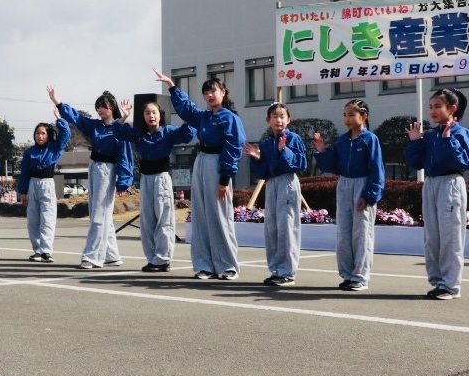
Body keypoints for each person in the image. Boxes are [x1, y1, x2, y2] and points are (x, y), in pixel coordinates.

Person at [154, 67, 246, 280]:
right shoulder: (203, 116)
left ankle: (227, 266)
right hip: (201, 162)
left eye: (213, 91)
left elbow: (234, 148)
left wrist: (225, 178)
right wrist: (171, 86)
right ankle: (204, 265)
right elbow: (186, 109)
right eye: (206, 93)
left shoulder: (230, 118)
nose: (209, 95)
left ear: (223, 92)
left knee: (220, 216)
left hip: (217, 164)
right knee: (201, 215)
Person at [405, 87, 469, 300]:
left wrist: (447, 141)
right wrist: (416, 142)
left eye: (438, 106)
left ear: (452, 109)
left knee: (450, 237)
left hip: (450, 184)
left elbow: (464, 162)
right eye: (431, 107)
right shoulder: (430, 135)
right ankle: (437, 282)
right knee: (432, 237)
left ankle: (451, 285)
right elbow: (416, 163)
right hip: (431, 184)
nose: (433, 111)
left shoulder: (461, 133)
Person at [56, 88, 135, 269]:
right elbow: (76, 117)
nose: (100, 110)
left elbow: (125, 156)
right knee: (100, 213)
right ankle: (111, 255)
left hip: (108, 169)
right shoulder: (95, 125)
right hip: (94, 166)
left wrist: (124, 181)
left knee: (100, 214)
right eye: (98, 106)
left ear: (112, 107)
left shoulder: (120, 128)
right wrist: (58, 103)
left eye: (104, 106)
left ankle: (92, 257)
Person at [312, 98, 385, 292]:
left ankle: (360, 276)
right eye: (345, 114)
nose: (347, 118)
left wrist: (369, 195)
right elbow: (333, 166)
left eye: (352, 114)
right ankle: (347, 274)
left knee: (362, 233)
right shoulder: (342, 141)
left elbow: (377, 170)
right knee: (343, 232)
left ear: (364, 116)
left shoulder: (370, 139)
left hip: (362, 184)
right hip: (344, 185)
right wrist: (321, 151)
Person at [115, 98, 195, 272]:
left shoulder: (168, 131)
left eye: (154, 112)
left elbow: (187, 135)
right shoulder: (138, 133)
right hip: (145, 178)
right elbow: (118, 132)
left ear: (160, 115)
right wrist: (124, 116)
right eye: (147, 113)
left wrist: (187, 119)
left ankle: (163, 258)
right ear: (143, 117)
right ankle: (153, 258)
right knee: (147, 220)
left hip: (161, 178)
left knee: (164, 219)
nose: (151, 116)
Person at [244, 103, 307, 287]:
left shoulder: (293, 138)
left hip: (287, 182)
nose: (278, 120)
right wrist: (257, 158)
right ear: (267, 120)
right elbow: (263, 172)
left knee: (287, 227)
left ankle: (287, 272)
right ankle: (276, 270)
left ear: (289, 120)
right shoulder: (265, 142)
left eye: (282, 116)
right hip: (271, 184)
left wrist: (283, 150)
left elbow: (300, 164)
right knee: (272, 228)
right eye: (274, 116)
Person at [17, 93, 72, 263]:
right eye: (37, 133)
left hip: (47, 183)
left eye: (43, 133)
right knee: (33, 219)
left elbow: (66, 135)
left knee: (48, 217)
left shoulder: (54, 148)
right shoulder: (29, 152)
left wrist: (59, 119)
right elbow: (24, 172)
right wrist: (23, 192)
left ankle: (46, 250)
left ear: (48, 135)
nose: (40, 136)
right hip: (32, 184)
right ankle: (37, 250)